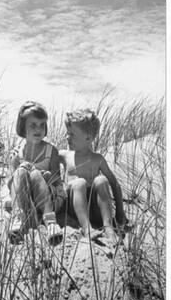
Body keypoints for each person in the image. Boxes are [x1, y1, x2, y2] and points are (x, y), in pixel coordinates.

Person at [60, 109, 126, 243]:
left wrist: (120, 211)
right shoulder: (64, 155)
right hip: (74, 211)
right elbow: (44, 157)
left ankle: (108, 227)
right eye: (67, 133)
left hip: (95, 211)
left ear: (88, 138)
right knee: (79, 183)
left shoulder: (97, 159)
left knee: (101, 180)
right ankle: (86, 228)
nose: (67, 137)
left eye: (72, 134)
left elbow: (114, 183)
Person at [7, 101, 65, 245]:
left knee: (35, 174)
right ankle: (19, 217)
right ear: (23, 128)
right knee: (21, 171)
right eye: (33, 125)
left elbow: (57, 180)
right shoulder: (17, 152)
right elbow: (12, 184)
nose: (38, 129)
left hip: (49, 198)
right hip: (26, 199)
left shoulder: (51, 151)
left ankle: (50, 222)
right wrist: (15, 166)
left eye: (41, 125)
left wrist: (45, 175)